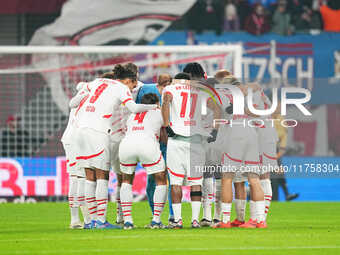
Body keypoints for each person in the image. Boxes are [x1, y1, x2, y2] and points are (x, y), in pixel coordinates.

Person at [74, 64, 157, 229]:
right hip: (98, 132)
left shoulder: (98, 81)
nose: (133, 87)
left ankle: (90, 221)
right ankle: (101, 221)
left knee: (90, 177)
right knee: (102, 177)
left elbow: (78, 94)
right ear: (128, 80)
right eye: (133, 84)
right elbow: (133, 108)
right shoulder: (121, 88)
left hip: (80, 130)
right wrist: (153, 107)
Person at [162, 72, 221, 229]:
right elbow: (217, 108)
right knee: (196, 182)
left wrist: (167, 125)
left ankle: (177, 220)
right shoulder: (200, 92)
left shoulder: (170, 89)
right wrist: (215, 130)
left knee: (175, 182)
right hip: (196, 141)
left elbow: (166, 103)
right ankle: (195, 220)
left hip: (176, 140)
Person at [213, 77, 266, 229]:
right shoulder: (246, 96)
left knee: (227, 179)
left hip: (234, 135)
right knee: (254, 178)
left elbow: (216, 116)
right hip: (250, 134)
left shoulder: (221, 96)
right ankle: (260, 220)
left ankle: (225, 221)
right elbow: (256, 112)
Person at [119, 93, 167, 229]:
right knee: (161, 179)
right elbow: (167, 128)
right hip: (147, 144)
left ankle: (128, 221)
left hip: (126, 145)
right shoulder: (159, 111)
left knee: (126, 180)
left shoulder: (132, 115)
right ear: (157, 102)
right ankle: (156, 220)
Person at [135, 73, 174, 222]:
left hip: (166, 141)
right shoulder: (145, 89)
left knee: (166, 179)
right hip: (153, 142)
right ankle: (157, 214)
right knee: (156, 179)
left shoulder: (174, 92)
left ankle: (171, 215)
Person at [61, 81, 91, 229]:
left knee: (74, 178)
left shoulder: (79, 98)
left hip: (69, 138)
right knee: (81, 179)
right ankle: (87, 219)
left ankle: (75, 219)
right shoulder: (90, 97)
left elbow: (71, 103)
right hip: (79, 140)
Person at [271, 103, 299, 201]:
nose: (278, 109)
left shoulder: (281, 120)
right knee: (277, 173)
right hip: (264, 149)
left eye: (279, 107)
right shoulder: (265, 118)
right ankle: (286, 193)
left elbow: (283, 136)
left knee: (279, 172)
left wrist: (278, 153)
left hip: (274, 149)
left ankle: (286, 193)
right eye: (276, 107)